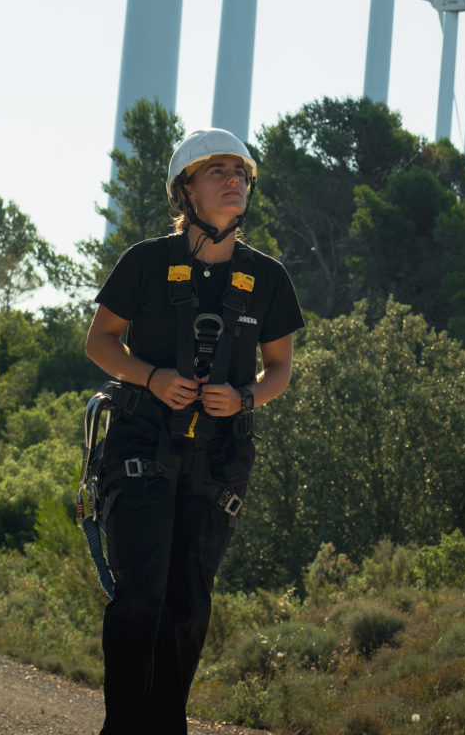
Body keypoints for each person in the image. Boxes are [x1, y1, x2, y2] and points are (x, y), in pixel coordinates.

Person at [85, 127, 304, 735]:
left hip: (218, 461)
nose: (235, 180)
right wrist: (151, 377)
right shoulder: (146, 262)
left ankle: (166, 726)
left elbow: (281, 367)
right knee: (141, 595)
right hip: (140, 448)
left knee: (187, 604)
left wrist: (245, 396)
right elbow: (100, 342)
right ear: (186, 190)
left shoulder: (268, 278)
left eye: (241, 172)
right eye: (218, 172)